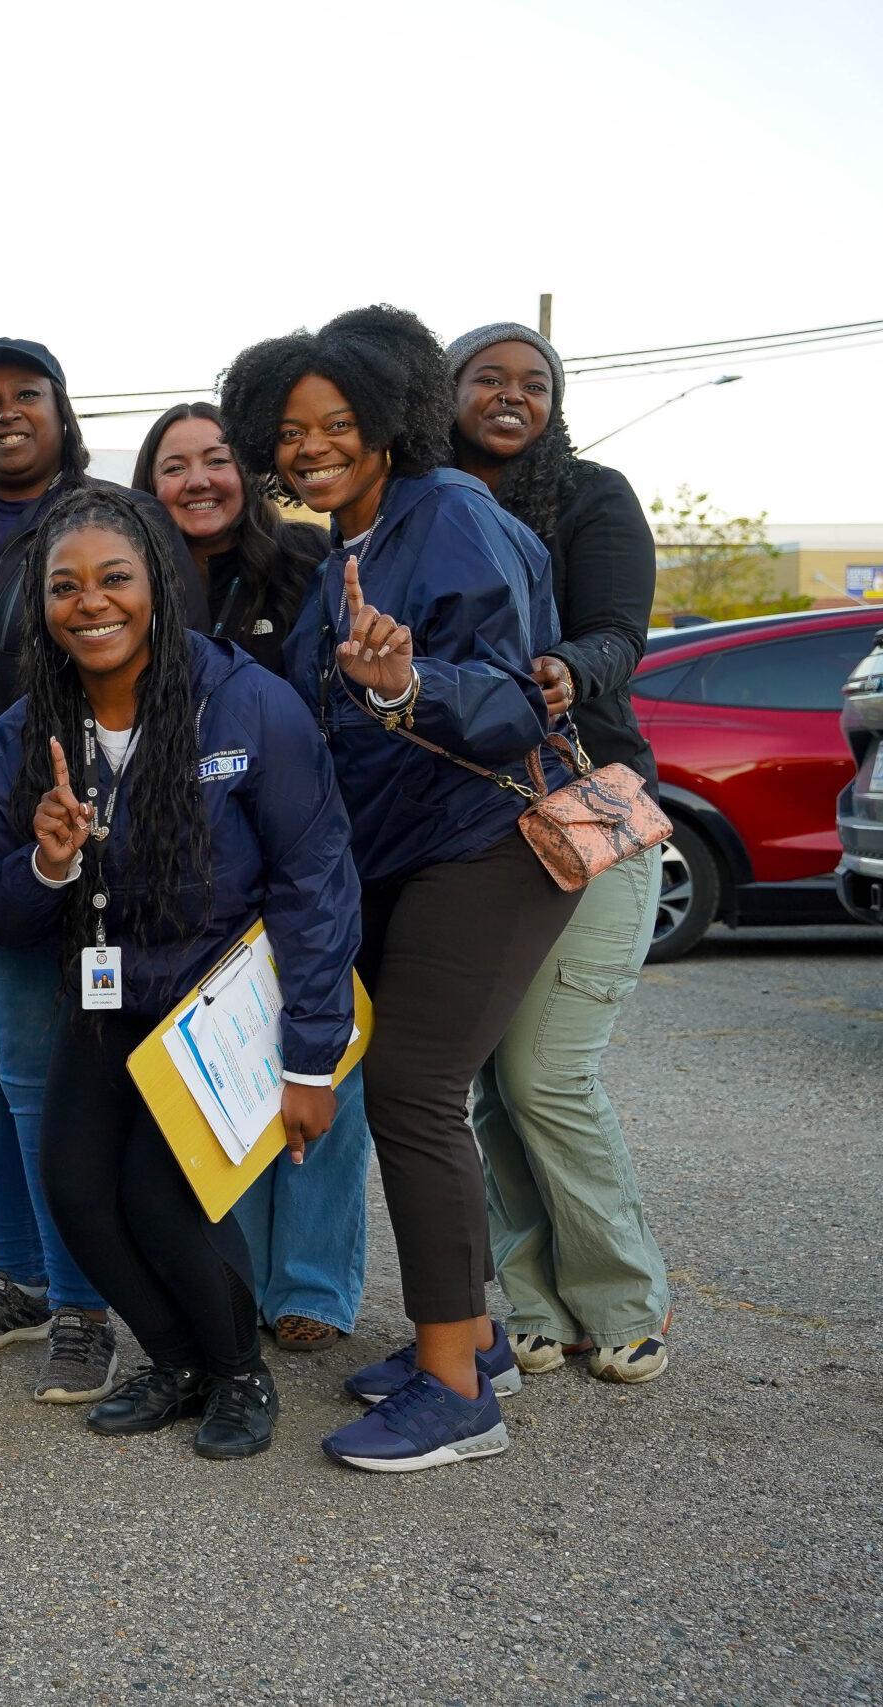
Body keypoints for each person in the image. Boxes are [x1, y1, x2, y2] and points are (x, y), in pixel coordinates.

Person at [222, 305, 580, 1473]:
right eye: (288, 429)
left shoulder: (453, 519)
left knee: (419, 1094)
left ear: (388, 424)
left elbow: (515, 699)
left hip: (486, 844)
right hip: (410, 860)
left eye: (337, 422)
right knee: (418, 1093)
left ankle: (452, 1397)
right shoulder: (345, 553)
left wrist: (404, 687)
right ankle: (468, 1341)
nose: (310, 445)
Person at [0, 485, 359, 1459]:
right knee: (73, 1189)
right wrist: (46, 864)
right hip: (105, 995)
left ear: (156, 587)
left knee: (160, 1194)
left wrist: (309, 1058)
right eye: (65, 587)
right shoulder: (26, 735)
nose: (90, 603)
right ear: (42, 605)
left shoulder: (247, 704)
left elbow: (315, 880)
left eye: (114, 579)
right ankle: (178, 1360)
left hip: (217, 998)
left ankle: (238, 1372)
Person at [0, 339, 201, 1404]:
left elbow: (166, 674)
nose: (3, 413)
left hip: (53, 834)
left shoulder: (110, 521)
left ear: (64, 412)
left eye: (25, 395)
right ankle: (16, 1277)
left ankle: (82, 1303)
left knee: (35, 1079)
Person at [445, 321, 672, 1386]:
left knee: (549, 1075)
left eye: (532, 382)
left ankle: (622, 1300)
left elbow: (620, 631)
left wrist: (568, 669)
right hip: (470, 826)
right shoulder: (429, 506)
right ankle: (532, 1303)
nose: (509, 395)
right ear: (444, 395)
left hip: (588, 815)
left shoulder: (593, 493)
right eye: (484, 377)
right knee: (491, 1078)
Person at [136, 400, 373, 1353]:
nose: (198, 479)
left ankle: (310, 1282)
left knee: (323, 1056)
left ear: (250, 475)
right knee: (218, 1066)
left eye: (218, 460)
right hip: (188, 870)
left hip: (304, 840)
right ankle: (236, 1274)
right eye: (174, 464)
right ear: (146, 486)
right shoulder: (133, 576)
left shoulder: (313, 565)